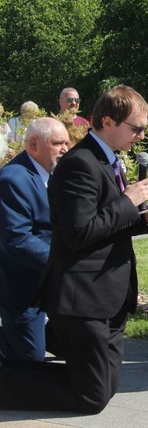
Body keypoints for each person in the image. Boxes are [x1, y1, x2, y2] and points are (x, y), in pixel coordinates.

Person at [0, 85, 148, 414]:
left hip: (109, 294)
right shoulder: (81, 164)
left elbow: (108, 222)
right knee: (91, 396)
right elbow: (80, 233)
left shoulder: (108, 161)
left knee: (102, 387)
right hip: (83, 296)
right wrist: (127, 202)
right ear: (108, 122)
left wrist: (145, 217)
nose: (142, 135)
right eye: (137, 128)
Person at [0, 118, 69, 363]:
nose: (65, 149)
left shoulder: (55, 177)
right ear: (33, 144)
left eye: (66, 143)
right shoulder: (13, 179)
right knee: (29, 361)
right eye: (58, 143)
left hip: (54, 288)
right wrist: (61, 263)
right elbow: (16, 240)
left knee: (82, 346)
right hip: (23, 288)